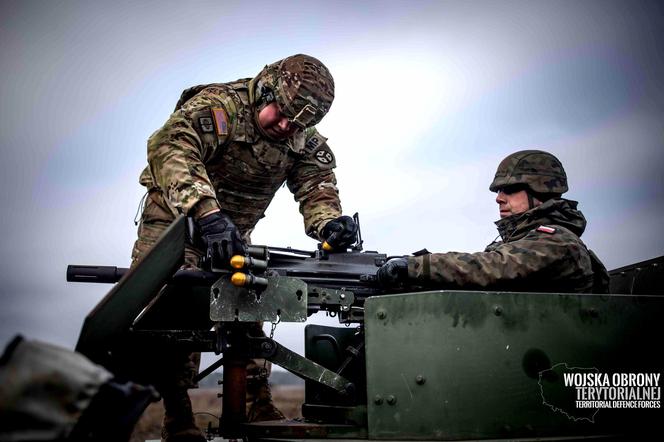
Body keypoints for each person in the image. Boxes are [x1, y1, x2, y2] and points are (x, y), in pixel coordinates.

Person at [131, 54, 358, 442]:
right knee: (173, 311)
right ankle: (178, 415)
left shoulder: (299, 135)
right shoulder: (220, 107)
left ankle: (257, 400)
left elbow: (316, 183)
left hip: (233, 232)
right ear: (265, 90)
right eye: (281, 115)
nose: (286, 127)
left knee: (249, 304)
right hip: (175, 221)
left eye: (298, 123)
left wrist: (328, 224)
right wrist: (206, 213)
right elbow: (170, 147)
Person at [377, 150, 609, 293]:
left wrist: (416, 266)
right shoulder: (520, 242)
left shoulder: (559, 242)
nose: (499, 198)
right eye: (499, 191)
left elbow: (490, 268)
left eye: (509, 189)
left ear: (540, 192)